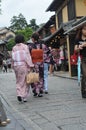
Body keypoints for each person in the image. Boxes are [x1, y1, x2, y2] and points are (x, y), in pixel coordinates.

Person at [12, 34, 34, 102]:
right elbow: (27, 57)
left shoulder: (14, 48)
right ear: (23, 40)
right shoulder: (25, 46)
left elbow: (12, 58)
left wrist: (13, 66)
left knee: (19, 81)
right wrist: (31, 65)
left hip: (16, 65)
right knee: (26, 81)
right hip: (24, 65)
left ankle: (19, 93)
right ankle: (24, 96)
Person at [74, 23, 86, 98]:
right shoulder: (78, 39)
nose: (85, 31)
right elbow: (75, 49)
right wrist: (80, 47)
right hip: (83, 59)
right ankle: (83, 92)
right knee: (85, 75)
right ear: (81, 30)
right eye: (84, 29)